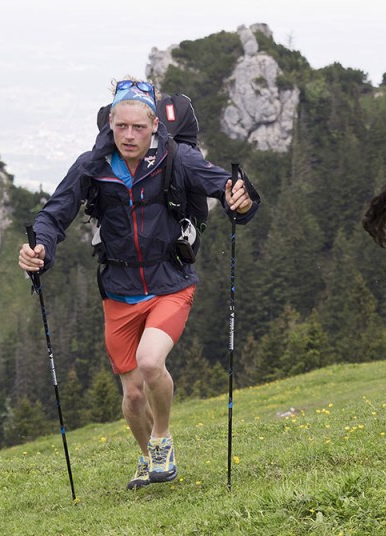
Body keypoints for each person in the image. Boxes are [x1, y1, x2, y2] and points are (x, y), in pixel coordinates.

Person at [18, 77, 260, 490]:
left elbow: (223, 184)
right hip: (118, 291)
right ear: (110, 123)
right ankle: (150, 459)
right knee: (132, 396)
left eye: (139, 128)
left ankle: (163, 438)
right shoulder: (91, 165)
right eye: (121, 127)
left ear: (154, 127)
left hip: (171, 282)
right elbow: (53, 216)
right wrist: (38, 248)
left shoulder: (175, 157)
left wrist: (240, 195)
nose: (129, 136)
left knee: (151, 362)